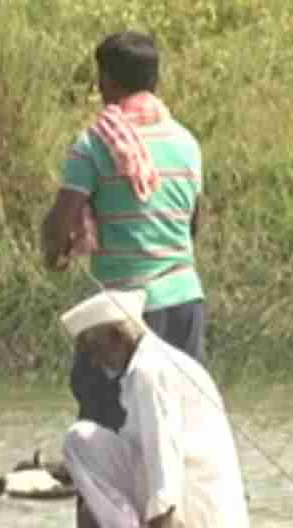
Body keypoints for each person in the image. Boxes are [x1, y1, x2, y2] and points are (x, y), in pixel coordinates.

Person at [41, 31, 206, 434]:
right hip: (185, 305)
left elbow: (60, 225)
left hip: (125, 315)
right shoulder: (186, 143)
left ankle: (106, 500)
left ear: (108, 82)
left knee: (104, 423)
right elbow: (193, 224)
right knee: (172, 427)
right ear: (155, 81)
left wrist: (55, 250)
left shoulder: (94, 145)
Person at [56, 289, 251, 528]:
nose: (95, 362)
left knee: (81, 439)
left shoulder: (150, 372)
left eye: (95, 351)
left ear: (116, 338)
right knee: (81, 440)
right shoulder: (144, 366)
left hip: (197, 521)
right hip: (187, 509)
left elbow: (165, 466)